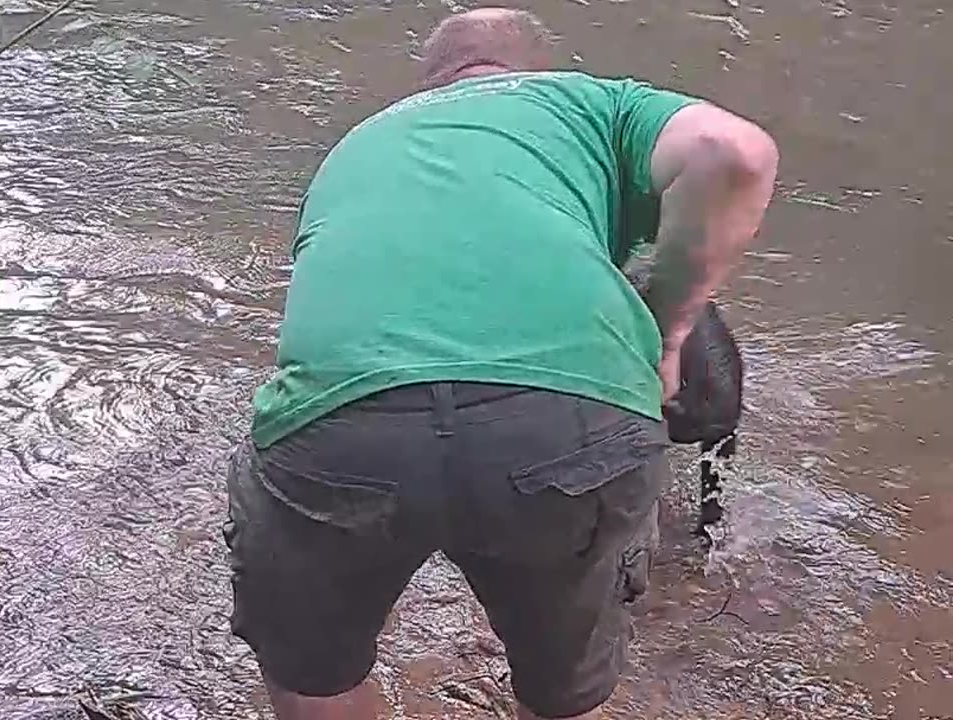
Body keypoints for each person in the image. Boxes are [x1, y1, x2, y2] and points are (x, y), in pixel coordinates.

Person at [222, 7, 778, 720]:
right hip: (567, 421)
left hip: (342, 421)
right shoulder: (592, 103)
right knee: (565, 691)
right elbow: (738, 154)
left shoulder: (361, 142)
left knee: (313, 675)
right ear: (537, 72)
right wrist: (667, 333)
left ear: (430, 84)